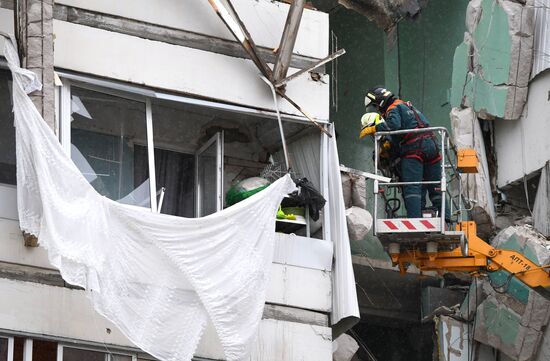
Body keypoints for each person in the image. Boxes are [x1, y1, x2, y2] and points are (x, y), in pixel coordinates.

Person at [359, 86, 446, 219]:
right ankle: (445, 216)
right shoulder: (406, 106)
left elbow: (394, 126)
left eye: (376, 106)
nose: (377, 109)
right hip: (432, 146)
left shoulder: (393, 109)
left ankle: (415, 220)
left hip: (415, 148)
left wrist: (375, 129)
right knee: (435, 186)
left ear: (380, 102)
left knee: (412, 187)